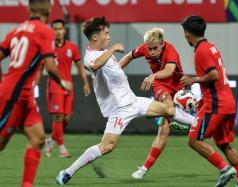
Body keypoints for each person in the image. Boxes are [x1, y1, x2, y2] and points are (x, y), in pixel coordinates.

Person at [56, 16, 194, 185]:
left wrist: (121, 75)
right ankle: (67, 172)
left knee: (169, 110)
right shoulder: (91, 55)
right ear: (95, 37)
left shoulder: (105, 54)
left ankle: (200, 123)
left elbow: (113, 68)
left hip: (133, 102)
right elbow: (94, 65)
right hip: (119, 110)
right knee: (107, 146)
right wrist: (113, 49)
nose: (109, 37)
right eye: (106, 33)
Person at [0, 0, 72, 186]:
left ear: (28, 8)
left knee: (38, 139)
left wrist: (3, 80)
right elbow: (49, 66)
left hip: (24, 96)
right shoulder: (44, 30)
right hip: (14, 95)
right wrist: (63, 83)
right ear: (48, 9)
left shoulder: (17, 30)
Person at [180, 16, 238, 187]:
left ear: (188, 34)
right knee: (223, 144)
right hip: (227, 102)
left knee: (194, 140)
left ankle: (225, 169)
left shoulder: (201, 51)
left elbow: (214, 75)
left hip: (217, 104)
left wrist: (193, 80)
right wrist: (203, 99)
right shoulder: (211, 47)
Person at [119, 27, 190, 179]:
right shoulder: (144, 48)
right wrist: (117, 72)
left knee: (166, 122)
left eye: (155, 48)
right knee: (165, 118)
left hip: (178, 85)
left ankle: (165, 118)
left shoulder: (171, 51)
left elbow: (169, 71)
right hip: (160, 84)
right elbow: (128, 56)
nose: (151, 52)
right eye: (149, 49)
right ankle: (144, 169)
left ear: (162, 44)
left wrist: (153, 75)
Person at [44, 19, 91, 158]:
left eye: (60, 28)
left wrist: (85, 83)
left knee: (66, 119)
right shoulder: (48, 47)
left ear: (64, 30)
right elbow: (42, 65)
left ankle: (50, 141)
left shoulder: (72, 47)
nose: (58, 31)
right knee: (58, 117)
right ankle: (62, 149)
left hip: (68, 87)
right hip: (54, 86)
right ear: (52, 31)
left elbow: (79, 66)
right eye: (55, 29)